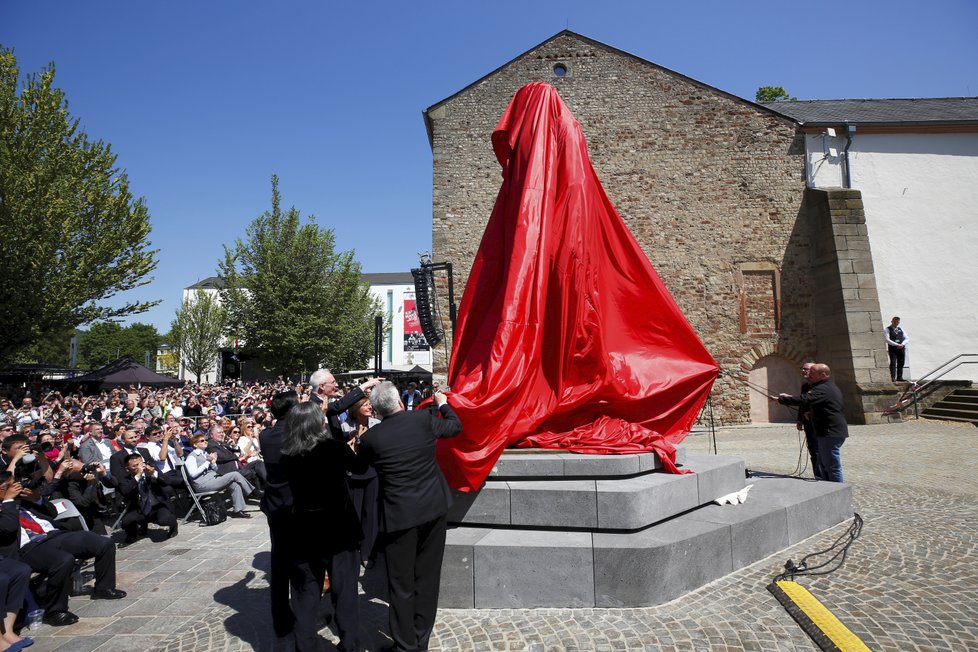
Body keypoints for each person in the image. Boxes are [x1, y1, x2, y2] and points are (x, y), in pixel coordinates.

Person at [357, 381, 463, 652]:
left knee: (401, 583)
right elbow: (454, 426)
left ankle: (405, 646)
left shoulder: (372, 439)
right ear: (401, 403)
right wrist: (442, 403)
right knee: (427, 579)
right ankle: (420, 640)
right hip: (433, 508)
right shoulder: (423, 421)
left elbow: (361, 467)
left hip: (400, 516)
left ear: (377, 413)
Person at [281, 401, 366, 652]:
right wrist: (355, 447)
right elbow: (359, 468)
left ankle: (304, 645)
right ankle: (350, 643)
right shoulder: (335, 449)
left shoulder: (288, 455)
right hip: (339, 529)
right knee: (345, 590)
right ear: (317, 424)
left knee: (305, 593)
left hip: (304, 530)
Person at [0, 472, 127, 627]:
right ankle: (54, 611)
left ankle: (104, 588)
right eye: (7, 486)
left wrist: (36, 499)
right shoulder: (8, 503)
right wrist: (8, 501)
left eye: (14, 483)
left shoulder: (20, 500)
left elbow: (53, 512)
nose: (14, 487)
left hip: (52, 534)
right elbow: (8, 527)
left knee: (102, 543)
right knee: (63, 560)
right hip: (27, 548)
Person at [258, 390, 299, 638]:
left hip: (274, 505)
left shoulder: (265, 435)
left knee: (279, 561)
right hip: (294, 504)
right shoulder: (297, 435)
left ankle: (281, 620)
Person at [774, 363, 848, 483]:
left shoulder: (823, 388)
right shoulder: (822, 387)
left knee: (831, 466)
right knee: (823, 462)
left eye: (812, 372)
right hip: (826, 430)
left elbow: (805, 399)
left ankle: (838, 491)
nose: (808, 374)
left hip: (830, 431)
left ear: (823, 375)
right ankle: (825, 487)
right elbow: (824, 406)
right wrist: (810, 414)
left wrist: (782, 399)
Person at [339, 396, 380, 568]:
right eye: (365, 404)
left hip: (371, 473)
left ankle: (367, 552)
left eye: (370, 403)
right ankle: (351, 549)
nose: (369, 406)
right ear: (356, 408)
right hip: (351, 474)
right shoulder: (345, 426)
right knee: (353, 511)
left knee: (370, 513)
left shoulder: (377, 424)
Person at [184, 435, 254, 519]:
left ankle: (238, 510)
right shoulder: (192, 457)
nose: (205, 442)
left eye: (205, 440)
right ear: (195, 445)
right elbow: (193, 474)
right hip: (203, 484)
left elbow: (214, 470)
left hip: (213, 479)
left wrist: (213, 463)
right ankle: (252, 492)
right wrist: (207, 462)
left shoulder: (205, 454)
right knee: (234, 474)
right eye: (202, 441)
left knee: (234, 484)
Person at [116, 453, 178, 543]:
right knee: (126, 521)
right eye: (134, 466)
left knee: (164, 519)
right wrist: (137, 477)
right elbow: (125, 491)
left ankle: (173, 526)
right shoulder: (125, 479)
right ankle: (131, 535)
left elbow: (167, 481)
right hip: (139, 508)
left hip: (158, 505)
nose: (139, 467)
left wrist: (154, 474)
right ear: (127, 468)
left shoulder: (151, 471)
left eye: (140, 464)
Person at [796, 361, 820, 479]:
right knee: (813, 451)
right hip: (808, 424)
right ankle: (818, 475)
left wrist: (813, 413)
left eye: (806, 369)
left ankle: (823, 477)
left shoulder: (820, 386)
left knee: (819, 451)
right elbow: (802, 403)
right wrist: (800, 419)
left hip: (819, 425)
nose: (803, 371)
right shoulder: (805, 386)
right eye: (803, 369)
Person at [885, 316, 909, 382]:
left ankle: (899, 377)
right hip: (893, 348)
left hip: (901, 348)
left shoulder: (901, 329)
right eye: (895, 321)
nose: (896, 323)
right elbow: (887, 339)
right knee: (893, 362)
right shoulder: (887, 329)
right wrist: (897, 344)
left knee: (901, 362)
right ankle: (892, 377)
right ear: (892, 321)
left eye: (897, 322)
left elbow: (906, 338)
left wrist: (902, 344)